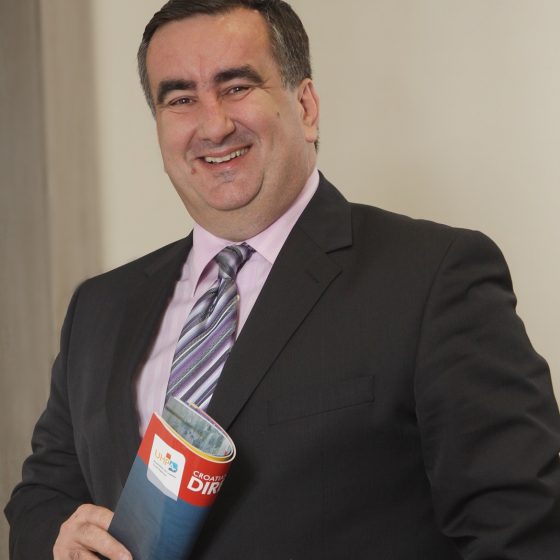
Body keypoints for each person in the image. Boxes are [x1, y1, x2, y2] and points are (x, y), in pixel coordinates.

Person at [6, 1, 560, 558]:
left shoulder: (434, 277)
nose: (213, 125)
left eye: (236, 87)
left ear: (306, 106)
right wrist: (61, 540)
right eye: (180, 99)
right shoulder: (99, 308)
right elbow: (40, 499)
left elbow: (522, 528)